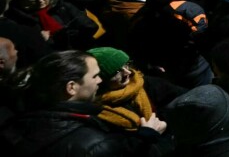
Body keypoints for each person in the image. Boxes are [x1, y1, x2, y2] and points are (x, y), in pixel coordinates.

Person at [0, 50, 168, 155]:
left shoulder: (19, 117)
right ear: (71, 87)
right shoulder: (91, 144)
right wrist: (147, 138)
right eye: (94, 76)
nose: (100, 80)